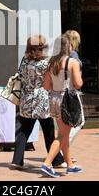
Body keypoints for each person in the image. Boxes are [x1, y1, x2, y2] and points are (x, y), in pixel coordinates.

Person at [10, 35, 65, 170]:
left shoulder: (24, 61)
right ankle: (56, 160)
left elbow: (20, 76)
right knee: (48, 131)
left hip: (26, 97)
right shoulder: (46, 63)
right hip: (42, 99)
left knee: (23, 130)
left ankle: (17, 160)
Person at [41, 36, 83, 178]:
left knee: (63, 132)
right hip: (67, 100)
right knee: (63, 135)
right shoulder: (72, 62)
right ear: (68, 47)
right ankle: (47, 163)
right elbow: (78, 84)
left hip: (54, 99)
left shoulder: (51, 63)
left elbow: (46, 86)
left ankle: (70, 165)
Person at [63, 30, 83, 148]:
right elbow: (77, 80)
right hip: (71, 91)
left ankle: (64, 151)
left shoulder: (60, 54)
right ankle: (62, 148)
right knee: (78, 122)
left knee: (67, 124)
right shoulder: (73, 55)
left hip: (60, 91)